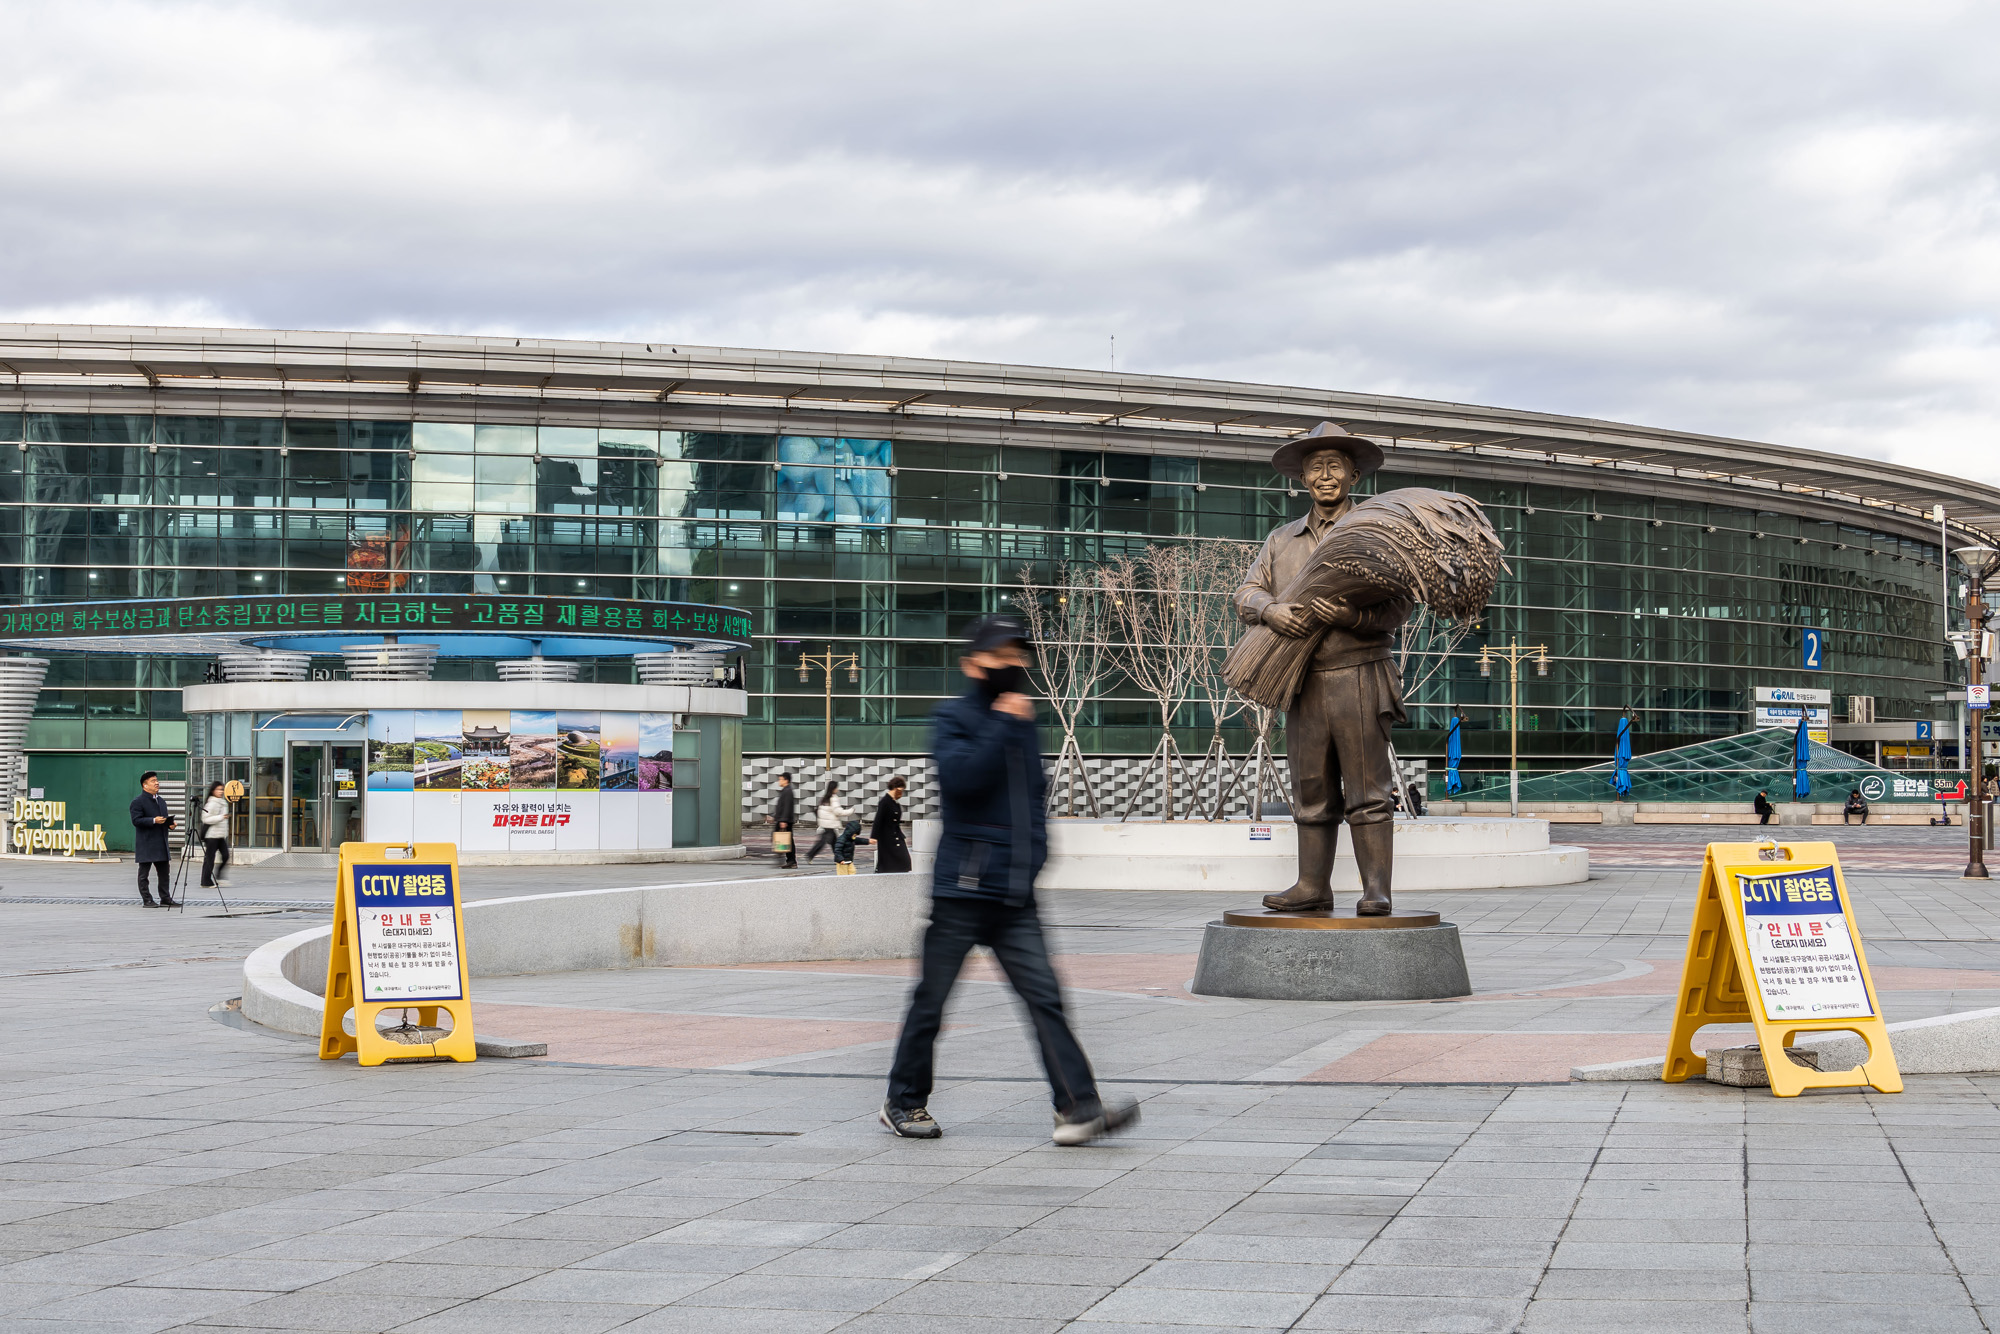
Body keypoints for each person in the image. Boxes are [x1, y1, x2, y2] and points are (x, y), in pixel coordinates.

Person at [881, 614, 1139, 1146]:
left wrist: (1037, 858)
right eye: (1002, 657)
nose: (1014, 666)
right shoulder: (953, 717)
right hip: (963, 891)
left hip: (1016, 895)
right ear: (973, 664)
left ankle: (1077, 1109)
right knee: (932, 1001)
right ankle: (903, 1102)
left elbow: (1030, 803)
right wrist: (1002, 722)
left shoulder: (1021, 721)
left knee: (1046, 1000)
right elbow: (962, 782)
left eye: (1020, 656)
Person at [1233, 423, 1409, 915]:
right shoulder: (1281, 540)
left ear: (1352, 474)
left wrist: (1353, 617)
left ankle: (1377, 888)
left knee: (1368, 788)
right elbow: (1246, 592)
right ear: (1303, 479)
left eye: (1334, 466)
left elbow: (1399, 605)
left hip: (1359, 674)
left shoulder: (1376, 534)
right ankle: (1312, 885)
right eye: (1316, 468)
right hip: (1302, 680)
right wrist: (1270, 610)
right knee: (1310, 786)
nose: (1325, 476)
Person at [129, 771, 178, 908]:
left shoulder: (161, 801)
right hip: (146, 843)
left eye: (157, 780)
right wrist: (153, 820)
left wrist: (171, 825)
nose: (157, 783)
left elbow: (163, 821)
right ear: (145, 785)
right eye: (153, 781)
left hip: (161, 843)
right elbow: (136, 820)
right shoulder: (137, 802)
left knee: (164, 874)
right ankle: (147, 899)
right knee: (144, 874)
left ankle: (165, 898)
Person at [872, 776, 912, 873]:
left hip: (895, 836)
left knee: (904, 861)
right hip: (886, 838)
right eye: (900, 789)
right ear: (895, 788)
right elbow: (878, 820)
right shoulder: (885, 802)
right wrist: (873, 837)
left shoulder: (895, 803)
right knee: (891, 862)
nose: (901, 792)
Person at [805, 780, 851, 864]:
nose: (837, 789)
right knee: (824, 842)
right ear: (834, 788)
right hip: (830, 824)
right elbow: (838, 811)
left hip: (826, 824)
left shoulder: (825, 798)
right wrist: (850, 811)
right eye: (836, 787)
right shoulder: (833, 798)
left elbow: (820, 811)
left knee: (834, 842)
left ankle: (839, 858)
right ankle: (810, 854)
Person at [199, 781, 232, 889]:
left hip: (220, 835)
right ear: (213, 791)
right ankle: (205, 881)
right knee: (210, 859)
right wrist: (221, 817)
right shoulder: (211, 803)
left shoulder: (222, 802)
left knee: (226, 855)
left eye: (222, 789)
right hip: (211, 835)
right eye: (218, 789)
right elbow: (205, 819)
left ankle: (218, 876)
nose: (221, 792)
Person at [772, 773, 798, 868]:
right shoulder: (785, 791)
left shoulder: (788, 791)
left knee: (787, 840)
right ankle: (788, 859)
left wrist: (783, 820)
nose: (779, 781)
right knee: (786, 840)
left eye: (781, 779)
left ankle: (790, 860)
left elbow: (787, 807)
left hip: (785, 821)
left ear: (786, 780)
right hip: (783, 819)